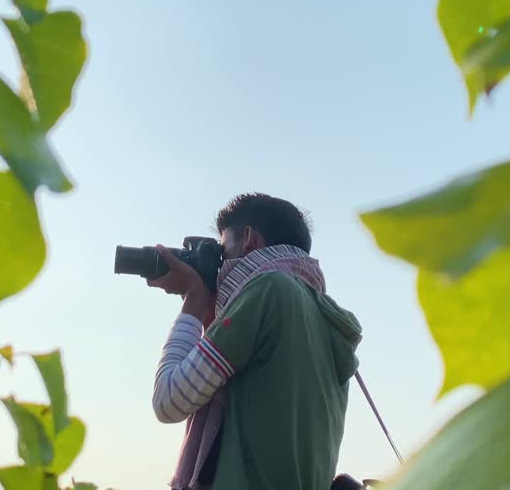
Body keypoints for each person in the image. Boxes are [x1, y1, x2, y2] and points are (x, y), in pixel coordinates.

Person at [148, 193, 363, 490]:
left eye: (223, 252)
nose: (221, 268)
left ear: (249, 240)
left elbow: (169, 401)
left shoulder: (269, 289)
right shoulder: (328, 321)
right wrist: (213, 311)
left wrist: (194, 300)